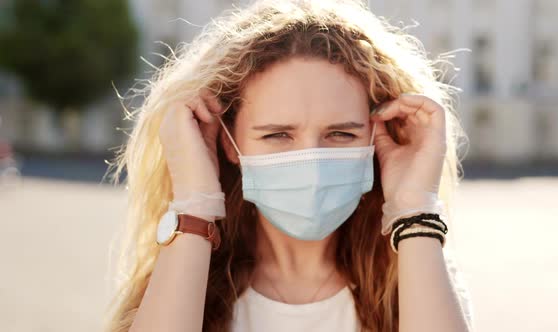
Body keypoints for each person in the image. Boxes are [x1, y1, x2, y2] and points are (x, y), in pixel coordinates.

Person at [103, 0, 474, 331]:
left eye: (341, 134)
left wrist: (414, 209)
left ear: (375, 137)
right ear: (230, 143)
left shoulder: (418, 273)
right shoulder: (183, 278)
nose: (311, 163)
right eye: (278, 134)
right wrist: (195, 203)